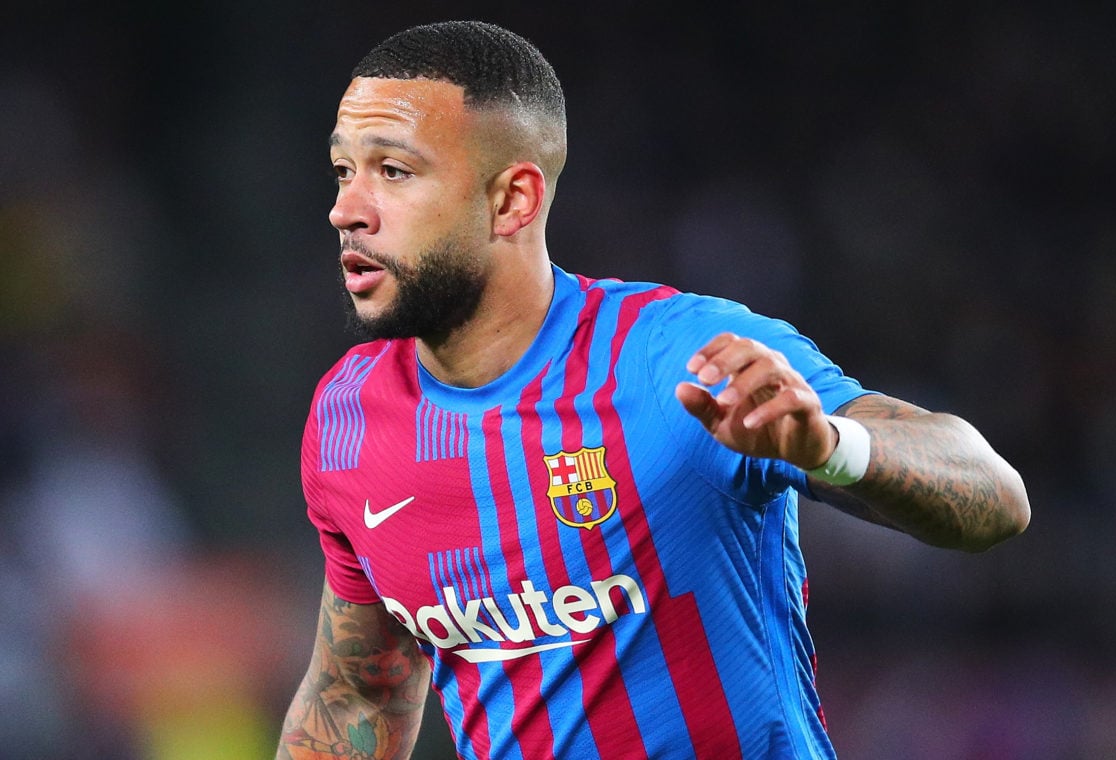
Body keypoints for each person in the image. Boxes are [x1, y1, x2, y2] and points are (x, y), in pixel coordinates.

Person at [277, 20, 1030, 760]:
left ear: (512, 201)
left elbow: (995, 500)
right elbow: (358, 694)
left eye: (394, 172)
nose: (347, 209)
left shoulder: (681, 356)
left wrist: (831, 447)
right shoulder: (349, 419)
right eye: (345, 171)